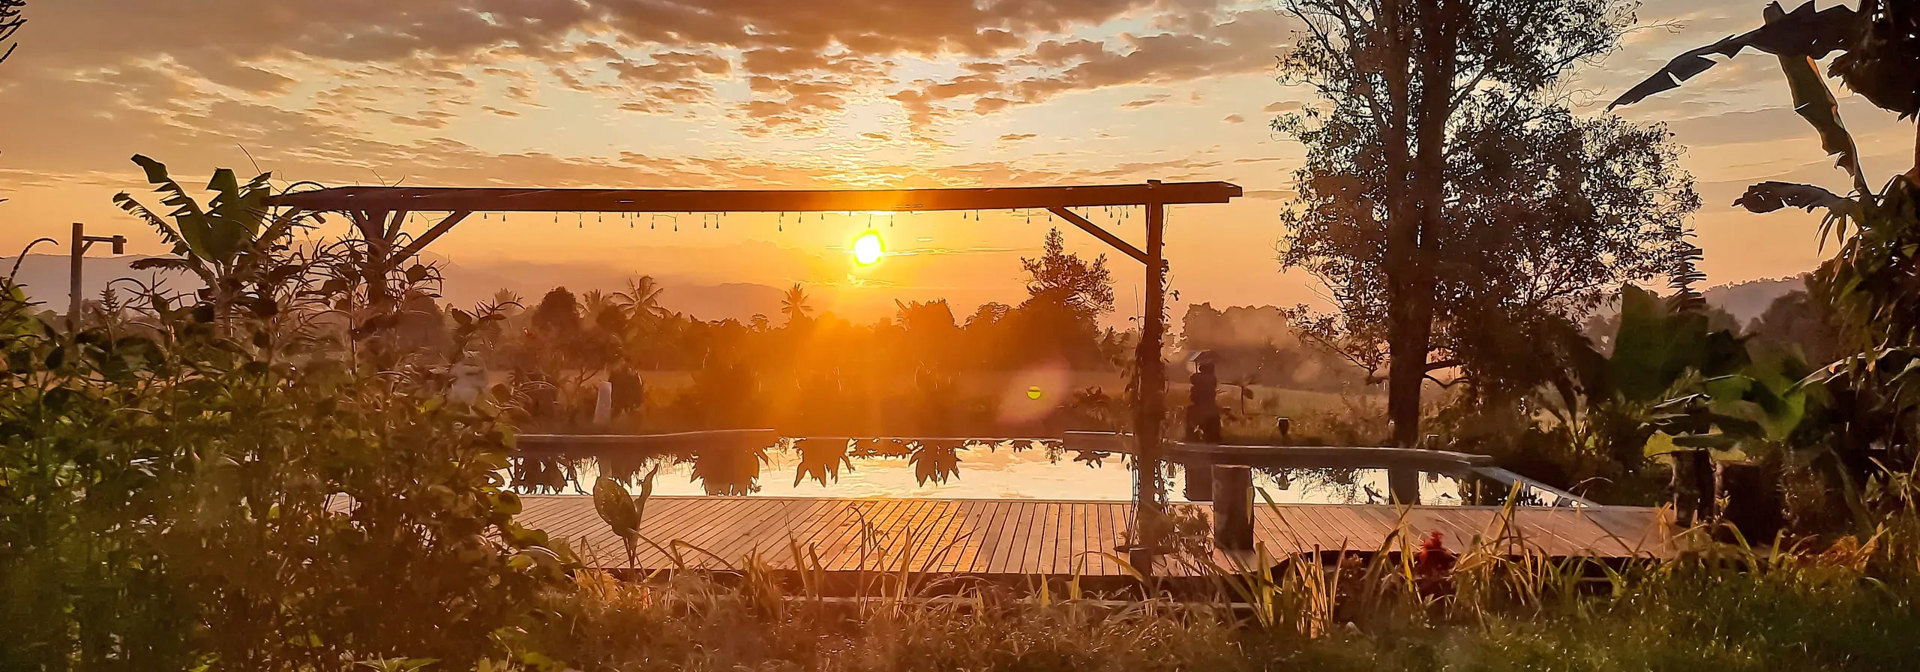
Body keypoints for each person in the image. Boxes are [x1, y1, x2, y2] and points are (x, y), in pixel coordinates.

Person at [1186, 351, 1221, 443]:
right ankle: (1212, 437)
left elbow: (1193, 380)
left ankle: (1193, 436)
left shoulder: (1199, 378)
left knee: (1192, 417)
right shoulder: (1212, 378)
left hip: (1201, 404)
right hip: (1209, 403)